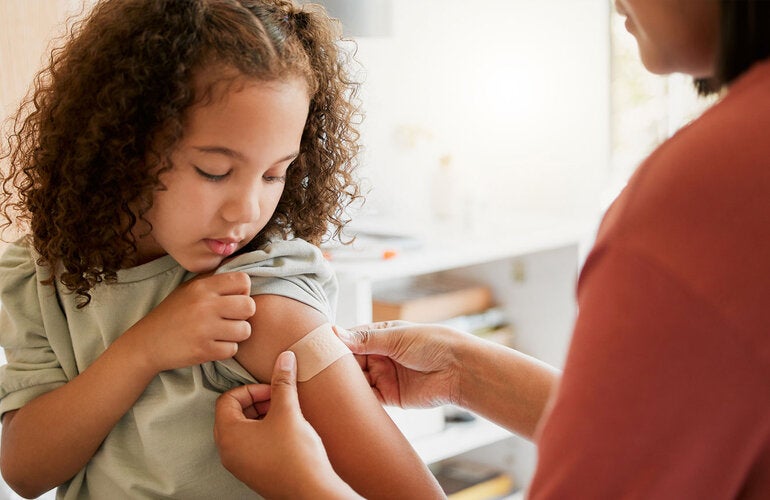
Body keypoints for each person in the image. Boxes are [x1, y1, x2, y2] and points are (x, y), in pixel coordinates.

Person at [213, 0, 770, 497]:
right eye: (214, 170)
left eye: (275, 174)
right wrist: (461, 368)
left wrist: (309, 488)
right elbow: (666, 434)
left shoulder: (703, 195)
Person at [0, 1, 444, 499]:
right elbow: (25, 471)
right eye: (215, 171)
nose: (246, 210)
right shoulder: (41, 275)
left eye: (274, 173)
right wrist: (143, 350)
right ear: (125, 144)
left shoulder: (260, 299)